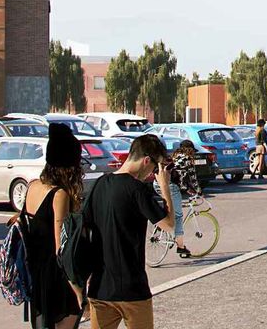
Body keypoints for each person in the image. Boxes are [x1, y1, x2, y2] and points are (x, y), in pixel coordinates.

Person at [84, 134, 177, 329]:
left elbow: (86, 230)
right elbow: (169, 225)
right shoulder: (138, 190)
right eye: (154, 167)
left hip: (100, 288)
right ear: (146, 161)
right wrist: (165, 187)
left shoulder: (100, 185)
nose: (153, 173)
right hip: (132, 289)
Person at [21, 124, 85, 329]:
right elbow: (61, 248)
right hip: (56, 279)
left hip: (36, 274)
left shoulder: (33, 186)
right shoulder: (59, 195)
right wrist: (77, 288)